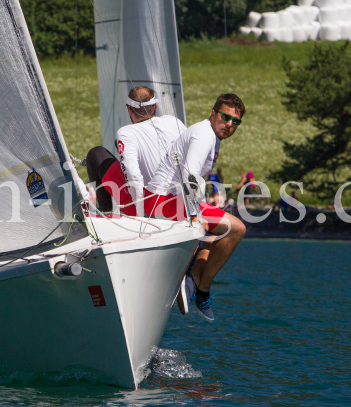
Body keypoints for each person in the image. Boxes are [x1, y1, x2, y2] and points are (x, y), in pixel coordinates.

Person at [144, 93, 247, 321]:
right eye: (225, 117)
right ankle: (201, 288)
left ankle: (194, 276)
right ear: (213, 114)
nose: (229, 124)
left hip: (170, 198)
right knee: (236, 229)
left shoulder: (212, 134)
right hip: (164, 201)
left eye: (235, 122)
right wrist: (194, 218)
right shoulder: (204, 136)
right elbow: (188, 176)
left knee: (221, 230)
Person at [85, 86, 185, 216]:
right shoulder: (174, 121)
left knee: (96, 154)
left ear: (129, 110)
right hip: (183, 204)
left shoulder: (125, 133)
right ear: (155, 106)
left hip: (152, 209)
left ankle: (106, 211)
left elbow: (133, 176)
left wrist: (140, 215)